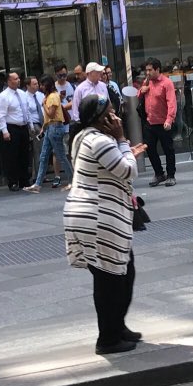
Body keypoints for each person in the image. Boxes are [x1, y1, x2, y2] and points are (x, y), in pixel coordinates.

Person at [63, 95, 147, 355]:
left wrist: (123, 150)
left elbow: (114, 165)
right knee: (109, 278)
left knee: (122, 272)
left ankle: (117, 326)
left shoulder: (85, 137)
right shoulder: (99, 140)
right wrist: (122, 141)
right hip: (98, 217)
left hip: (90, 215)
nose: (117, 116)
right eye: (112, 111)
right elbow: (129, 171)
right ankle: (108, 339)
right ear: (103, 118)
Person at [24, 80, 74, 193]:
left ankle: (72, 180)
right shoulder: (49, 97)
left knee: (60, 155)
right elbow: (48, 118)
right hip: (50, 128)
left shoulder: (53, 97)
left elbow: (51, 114)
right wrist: (43, 128)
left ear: (48, 85)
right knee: (43, 156)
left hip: (55, 127)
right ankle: (37, 184)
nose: (40, 86)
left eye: (42, 84)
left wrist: (43, 105)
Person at [139, 57, 177, 187]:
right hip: (150, 122)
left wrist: (169, 120)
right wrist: (141, 91)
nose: (147, 73)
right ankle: (159, 173)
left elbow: (171, 102)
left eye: (150, 70)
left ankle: (171, 175)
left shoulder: (167, 83)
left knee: (168, 149)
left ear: (157, 69)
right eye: (146, 70)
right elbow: (139, 95)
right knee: (149, 149)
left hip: (163, 123)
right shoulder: (147, 81)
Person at [0, 72, 32, 191]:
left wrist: (30, 125)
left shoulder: (22, 94)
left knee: (24, 154)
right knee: (12, 156)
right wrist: (4, 131)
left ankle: (24, 180)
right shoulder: (3, 96)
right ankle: (13, 181)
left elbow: (26, 110)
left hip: (23, 126)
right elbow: (1, 115)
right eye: (15, 79)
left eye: (18, 78)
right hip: (12, 127)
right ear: (9, 81)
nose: (18, 80)